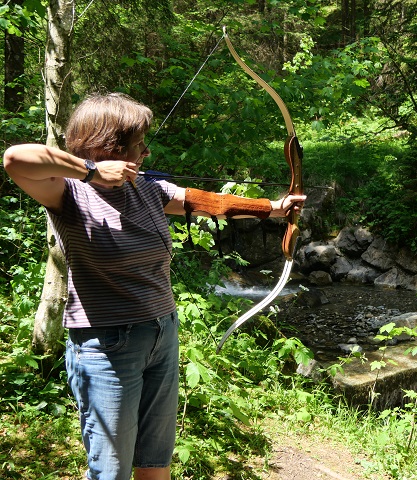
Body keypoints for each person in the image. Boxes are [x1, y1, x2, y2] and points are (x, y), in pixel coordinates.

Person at [2, 92, 305, 480]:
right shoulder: (67, 193)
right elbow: (15, 159)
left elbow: (212, 201)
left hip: (162, 332)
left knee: (154, 461)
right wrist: (92, 172)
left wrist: (272, 208)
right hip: (106, 347)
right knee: (111, 470)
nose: (145, 152)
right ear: (108, 146)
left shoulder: (149, 189)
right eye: (138, 144)